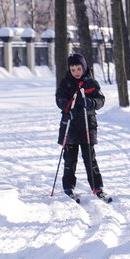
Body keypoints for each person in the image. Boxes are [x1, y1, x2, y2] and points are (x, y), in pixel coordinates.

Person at [56, 53, 110, 202]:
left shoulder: (91, 83)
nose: (76, 72)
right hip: (71, 126)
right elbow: (59, 99)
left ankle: (97, 186)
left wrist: (91, 103)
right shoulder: (66, 83)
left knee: (90, 158)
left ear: (84, 67)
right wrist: (68, 108)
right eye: (73, 69)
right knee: (70, 159)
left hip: (87, 126)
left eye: (78, 68)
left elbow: (100, 99)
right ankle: (68, 186)